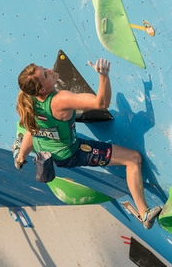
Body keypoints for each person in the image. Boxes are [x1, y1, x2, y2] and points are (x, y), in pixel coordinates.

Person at [13, 58, 162, 229]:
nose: (49, 69)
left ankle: (19, 157)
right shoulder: (60, 100)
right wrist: (103, 76)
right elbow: (101, 103)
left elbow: (32, 132)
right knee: (133, 159)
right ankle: (144, 213)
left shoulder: (28, 98)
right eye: (46, 74)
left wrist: (21, 157)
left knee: (31, 129)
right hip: (71, 153)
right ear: (42, 89)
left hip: (44, 147)